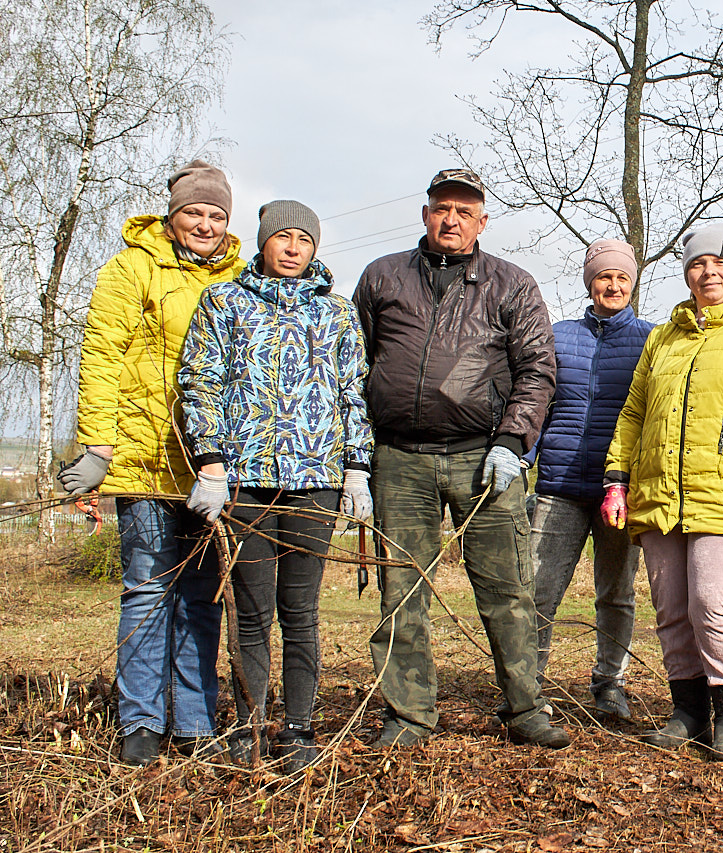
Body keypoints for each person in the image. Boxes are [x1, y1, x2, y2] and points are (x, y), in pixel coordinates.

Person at [354, 169, 566, 749]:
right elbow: (356, 365)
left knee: (507, 590)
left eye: (464, 211)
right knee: (401, 592)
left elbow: (537, 372)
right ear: (425, 213)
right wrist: (355, 456)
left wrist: (511, 442)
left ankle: (525, 709)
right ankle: (407, 717)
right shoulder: (382, 277)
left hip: (484, 458)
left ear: (482, 222)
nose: (452, 219)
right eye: (442, 207)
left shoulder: (511, 284)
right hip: (400, 459)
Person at [58, 160, 245, 766]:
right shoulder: (131, 268)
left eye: (217, 215)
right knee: (146, 589)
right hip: (144, 461)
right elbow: (101, 356)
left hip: (211, 468)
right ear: (172, 215)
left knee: (202, 594)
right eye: (195, 212)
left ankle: (193, 718)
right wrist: (97, 447)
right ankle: (140, 720)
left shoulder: (242, 277)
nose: (206, 224)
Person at [178, 201, 374, 773]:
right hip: (246, 484)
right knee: (252, 611)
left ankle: (299, 727)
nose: (292, 248)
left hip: (314, 482)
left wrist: (357, 467)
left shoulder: (335, 314)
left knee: (301, 610)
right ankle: (249, 722)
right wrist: (211, 463)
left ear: (315, 248)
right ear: (263, 243)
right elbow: (200, 383)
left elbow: (352, 393)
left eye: (303, 239)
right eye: (281, 237)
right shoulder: (224, 302)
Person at [603, 224, 723, 762]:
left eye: (719, 263)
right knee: (671, 608)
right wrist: (616, 479)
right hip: (660, 495)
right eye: (697, 264)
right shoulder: (664, 337)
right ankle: (687, 713)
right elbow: (635, 412)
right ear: (685, 272)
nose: (708, 272)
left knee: (715, 602)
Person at [530, 239, 653, 721]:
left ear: (633, 284)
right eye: (605, 277)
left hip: (619, 491)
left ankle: (610, 683)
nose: (614, 285)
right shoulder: (557, 336)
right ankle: (526, 683)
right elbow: (537, 403)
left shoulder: (650, 339)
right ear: (590, 282)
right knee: (539, 591)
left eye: (623, 278)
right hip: (558, 486)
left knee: (617, 594)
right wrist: (524, 456)